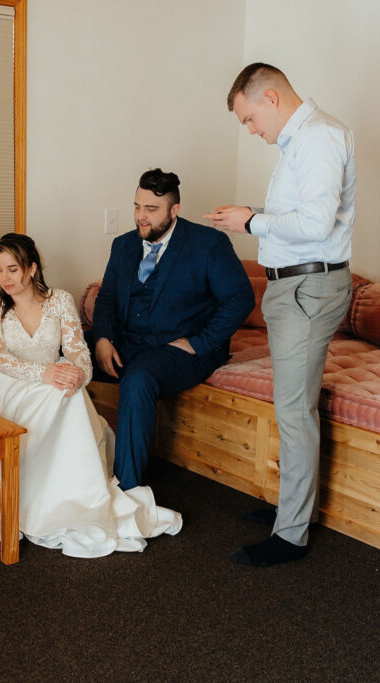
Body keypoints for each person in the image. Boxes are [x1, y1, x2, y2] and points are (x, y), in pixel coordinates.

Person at [0, 233, 182, 557]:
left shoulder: (59, 301)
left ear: (32, 268)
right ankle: (23, 492)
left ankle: (72, 496)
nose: (4, 278)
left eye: (12, 269)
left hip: (53, 378)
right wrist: (44, 372)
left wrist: (77, 375)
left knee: (68, 396)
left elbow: (79, 352)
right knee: (53, 392)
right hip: (5, 383)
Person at [205, 63, 356, 566]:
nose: (250, 131)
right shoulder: (302, 140)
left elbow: (315, 223)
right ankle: (296, 509)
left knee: (294, 411)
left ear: (270, 98)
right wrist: (251, 217)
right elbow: (302, 217)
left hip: (308, 288)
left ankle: (290, 534)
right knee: (293, 404)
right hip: (295, 287)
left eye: (249, 119)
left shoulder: (318, 137)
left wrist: (251, 220)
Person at [89, 169, 254, 491]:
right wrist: (103, 338)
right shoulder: (123, 245)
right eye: (137, 207)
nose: (141, 217)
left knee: (138, 379)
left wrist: (200, 342)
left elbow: (240, 298)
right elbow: (107, 296)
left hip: (182, 349)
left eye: (151, 210)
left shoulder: (209, 244)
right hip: (127, 340)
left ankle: (127, 489)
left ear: (174, 210)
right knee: (60, 351)